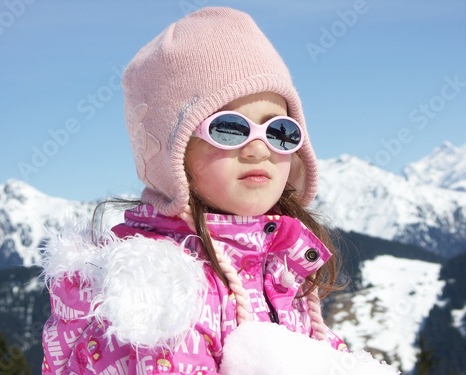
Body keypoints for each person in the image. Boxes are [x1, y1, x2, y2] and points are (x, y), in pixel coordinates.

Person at [41, 7, 399, 375]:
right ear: (170, 152)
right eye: (230, 128)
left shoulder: (275, 265)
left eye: (279, 131)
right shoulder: (155, 297)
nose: (260, 148)